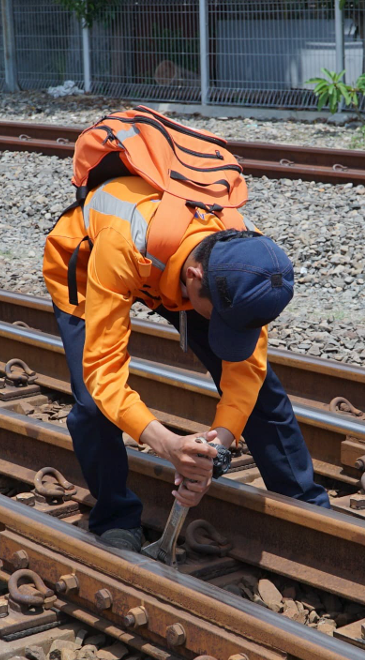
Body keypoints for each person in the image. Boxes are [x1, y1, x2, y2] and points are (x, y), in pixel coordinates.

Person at [42, 173, 330, 552]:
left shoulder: (246, 261)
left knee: (263, 391)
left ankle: (305, 505)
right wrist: (167, 445)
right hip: (89, 258)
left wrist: (216, 449)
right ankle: (116, 515)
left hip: (174, 263)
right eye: (220, 319)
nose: (221, 328)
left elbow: (246, 375)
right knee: (92, 404)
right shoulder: (124, 242)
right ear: (194, 279)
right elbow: (103, 373)